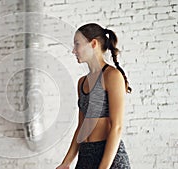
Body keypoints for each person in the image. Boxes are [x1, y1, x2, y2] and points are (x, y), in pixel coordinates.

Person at [56, 23, 131, 169]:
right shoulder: (82, 82)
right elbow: (82, 127)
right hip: (86, 155)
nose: (73, 50)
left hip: (109, 158)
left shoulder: (112, 76)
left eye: (77, 44)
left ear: (93, 43)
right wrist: (66, 163)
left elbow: (117, 127)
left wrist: (103, 168)